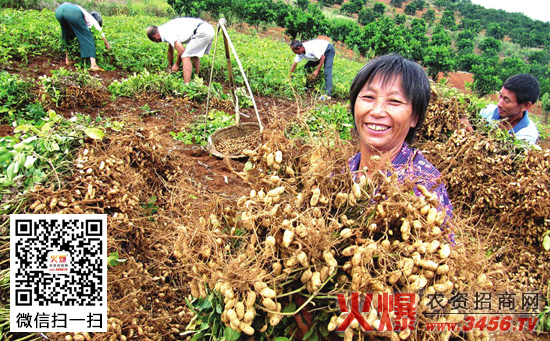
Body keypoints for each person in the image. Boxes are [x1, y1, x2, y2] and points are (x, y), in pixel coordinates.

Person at [347, 53, 453, 219]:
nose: (377, 111)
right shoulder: (342, 170)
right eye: (368, 97)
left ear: (415, 116)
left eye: (394, 101)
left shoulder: (425, 185)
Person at [460, 74, 540, 144]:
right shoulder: (488, 112)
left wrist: (469, 130)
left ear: (525, 106)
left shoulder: (527, 134)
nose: (499, 104)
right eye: (500, 96)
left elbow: (500, 158)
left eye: (507, 100)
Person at [146, 18, 215, 84]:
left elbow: (181, 50)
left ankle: (187, 86)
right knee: (194, 55)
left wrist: (176, 65)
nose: (156, 42)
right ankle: (196, 79)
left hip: (202, 32)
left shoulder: (166, 33)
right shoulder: (164, 29)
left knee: (185, 57)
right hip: (207, 28)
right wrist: (170, 67)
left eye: (155, 41)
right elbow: (170, 50)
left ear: (155, 37)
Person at [55, 2, 111, 71]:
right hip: (72, 13)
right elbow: (100, 34)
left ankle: (68, 59)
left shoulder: (84, 13)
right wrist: (108, 46)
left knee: (67, 35)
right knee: (87, 36)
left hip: (59, 10)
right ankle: (93, 65)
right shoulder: (92, 20)